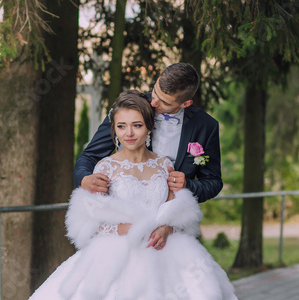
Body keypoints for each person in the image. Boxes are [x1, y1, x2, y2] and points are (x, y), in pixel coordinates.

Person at [7, 90, 257, 300]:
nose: (129, 133)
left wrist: (166, 229)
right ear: (114, 130)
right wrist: (121, 229)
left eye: (137, 125)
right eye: (121, 126)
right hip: (117, 250)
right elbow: (90, 219)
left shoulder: (164, 166)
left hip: (163, 249)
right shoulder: (105, 167)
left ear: (149, 128)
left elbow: (177, 209)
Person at [74, 63, 223, 203]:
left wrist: (187, 185)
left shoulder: (205, 126)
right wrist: (84, 179)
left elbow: (213, 182)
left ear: (185, 104)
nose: (153, 103)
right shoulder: (130, 108)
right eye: (155, 92)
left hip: (174, 217)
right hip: (125, 209)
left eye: (164, 102)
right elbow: (89, 156)